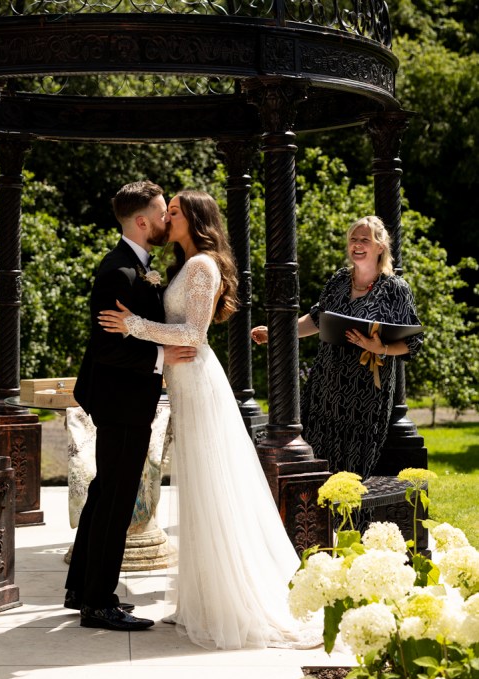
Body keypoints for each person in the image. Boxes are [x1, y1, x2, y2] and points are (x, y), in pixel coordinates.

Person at [99, 190, 320, 651]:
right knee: (198, 488)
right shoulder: (185, 265)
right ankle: (203, 599)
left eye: (174, 212)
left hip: (198, 382)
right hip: (182, 380)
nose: (166, 218)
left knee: (211, 485)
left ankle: (230, 602)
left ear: (193, 219)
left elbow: (194, 335)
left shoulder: (203, 266)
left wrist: (133, 325)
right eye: (165, 212)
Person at [67, 180, 198, 633]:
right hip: (120, 399)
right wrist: (162, 357)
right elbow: (106, 349)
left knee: (106, 490)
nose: (166, 220)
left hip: (124, 397)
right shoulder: (117, 272)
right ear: (142, 222)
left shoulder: (136, 266)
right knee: (118, 499)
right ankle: (98, 603)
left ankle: (79, 587)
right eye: (163, 214)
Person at [251, 214, 423, 479]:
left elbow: (413, 343)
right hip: (325, 385)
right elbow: (317, 320)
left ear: (380, 246)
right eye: (353, 239)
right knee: (317, 456)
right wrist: (277, 333)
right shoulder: (340, 280)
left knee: (352, 466)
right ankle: (317, 517)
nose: (357, 244)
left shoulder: (395, 289)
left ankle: (351, 517)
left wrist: (380, 349)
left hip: (365, 395)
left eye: (364, 239)